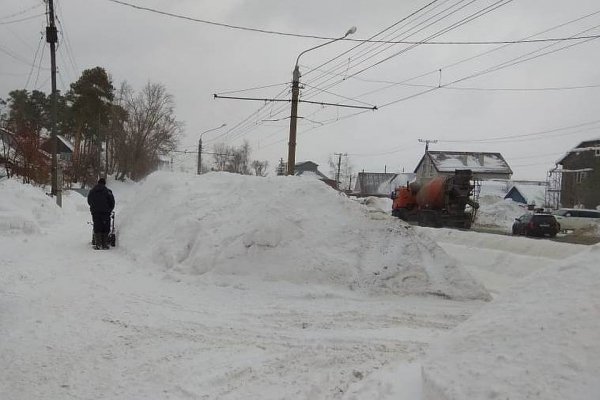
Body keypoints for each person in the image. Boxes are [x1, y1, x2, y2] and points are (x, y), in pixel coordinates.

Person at [87, 178, 115, 250]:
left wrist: (93, 207)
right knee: (105, 226)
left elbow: (89, 200)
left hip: (95, 212)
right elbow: (112, 202)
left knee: (97, 226)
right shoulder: (108, 191)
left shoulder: (92, 191)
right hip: (106, 212)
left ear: (98, 183)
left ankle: (98, 244)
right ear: (104, 183)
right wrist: (109, 209)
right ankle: (105, 244)